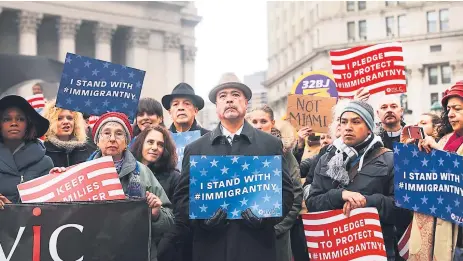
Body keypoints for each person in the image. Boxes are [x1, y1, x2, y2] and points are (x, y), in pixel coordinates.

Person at [158, 72, 294, 261]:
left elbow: (286, 193)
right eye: (223, 96)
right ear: (217, 107)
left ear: (246, 103)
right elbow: (182, 199)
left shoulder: (269, 144)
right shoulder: (196, 148)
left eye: (235, 95)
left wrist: (266, 219)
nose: (229, 99)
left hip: (256, 246)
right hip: (211, 247)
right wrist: (202, 220)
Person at [52, 112, 174, 261]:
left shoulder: (143, 173)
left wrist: (156, 214)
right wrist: (57, 180)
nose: (112, 139)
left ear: (126, 142)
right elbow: (63, 215)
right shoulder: (81, 174)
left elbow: (169, 222)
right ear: (97, 141)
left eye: (119, 134)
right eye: (106, 133)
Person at [306, 100, 397, 260]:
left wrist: (367, 202)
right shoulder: (326, 158)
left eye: (356, 122)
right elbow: (312, 203)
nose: (348, 127)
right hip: (334, 249)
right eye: (344, 122)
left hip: (374, 251)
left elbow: (402, 211)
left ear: (369, 128)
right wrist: (339, 195)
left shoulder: (390, 159)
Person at [408, 81, 463, 261]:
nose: (451, 114)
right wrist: (413, 155)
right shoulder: (445, 139)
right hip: (437, 226)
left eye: (457, 108)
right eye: (448, 109)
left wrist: (439, 153)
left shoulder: (441, 145)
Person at [248, 105, 303, 261]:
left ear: (272, 123)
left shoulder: (284, 153)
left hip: (276, 235)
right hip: (246, 236)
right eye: (254, 121)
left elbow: (296, 194)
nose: (258, 125)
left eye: (263, 121)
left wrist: (277, 227)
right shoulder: (238, 152)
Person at [0, 95, 53, 204]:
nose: (14, 123)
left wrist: (11, 209)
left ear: (28, 124)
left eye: (20, 119)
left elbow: (47, 210)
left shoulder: (45, 163)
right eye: (7, 119)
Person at [130, 125, 180, 202]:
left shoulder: (174, 178)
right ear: (141, 144)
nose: (154, 147)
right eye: (150, 142)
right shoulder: (128, 171)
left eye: (160, 144)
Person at [42, 100, 91, 167]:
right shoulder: (43, 152)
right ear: (50, 122)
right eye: (59, 118)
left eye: (70, 118)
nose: (66, 122)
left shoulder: (85, 149)